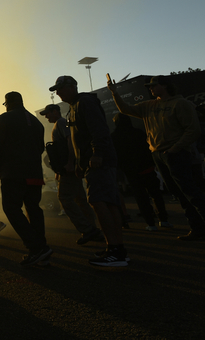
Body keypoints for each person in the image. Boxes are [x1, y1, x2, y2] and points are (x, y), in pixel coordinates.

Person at [108, 75, 205, 245]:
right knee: (179, 194)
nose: (150, 88)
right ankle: (198, 229)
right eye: (149, 86)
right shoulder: (149, 105)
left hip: (176, 153)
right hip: (159, 154)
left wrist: (174, 149)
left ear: (165, 86)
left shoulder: (181, 104)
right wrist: (114, 93)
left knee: (191, 193)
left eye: (153, 85)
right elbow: (125, 109)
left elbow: (193, 131)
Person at [51, 76, 127, 267]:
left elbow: (99, 130)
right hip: (91, 163)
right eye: (57, 89)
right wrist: (79, 163)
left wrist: (97, 154)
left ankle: (116, 251)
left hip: (98, 162)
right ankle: (115, 248)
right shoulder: (74, 107)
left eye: (60, 88)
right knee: (106, 203)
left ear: (72, 87)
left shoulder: (85, 102)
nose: (57, 92)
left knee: (100, 202)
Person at [0, 92, 51, 267]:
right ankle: (41, 249)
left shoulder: (4, 119)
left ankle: (36, 246)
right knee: (33, 208)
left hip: (13, 173)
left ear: (7, 104)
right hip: (34, 173)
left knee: (11, 208)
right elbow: (40, 147)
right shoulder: (36, 122)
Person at [40, 104, 104, 244]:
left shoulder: (61, 123)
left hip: (69, 168)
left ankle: (88, 230)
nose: (46, 116)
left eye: (48, 113)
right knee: (80, 199)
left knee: (64, 198)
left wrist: (70, 163)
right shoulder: (60, 123)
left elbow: (71, 142)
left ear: (55, 111)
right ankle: (92, 229)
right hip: (69, 168)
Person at [110, 113, 171, 230]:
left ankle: (150, 223)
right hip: (147, 168)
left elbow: (116, 156)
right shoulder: (139, 132)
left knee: (141, 198)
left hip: (131, 172)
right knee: (156, 195)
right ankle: (164, 220)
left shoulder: (114, 136)